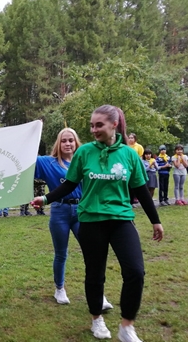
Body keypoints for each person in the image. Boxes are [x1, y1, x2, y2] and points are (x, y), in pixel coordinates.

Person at [31, 105, 163, 342]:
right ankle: (96, 320)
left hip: (121, 220)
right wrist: (46, 198)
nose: (94, 130)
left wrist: (156, 221)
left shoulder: (129, 154)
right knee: (95, 274)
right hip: (91, 220)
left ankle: (126, 327)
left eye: (99, 125)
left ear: (114, 125)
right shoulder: (85, 153)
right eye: (92, 125)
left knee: (135, 272)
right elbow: (69, 185)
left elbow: (141, 190)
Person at [35, 127, 113, 309]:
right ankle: (59, 288)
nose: (68, 143)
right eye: (64, 140)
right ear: (58, 143)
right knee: (61, 253)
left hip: (83, 211)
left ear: (76, 142)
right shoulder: (48, 162)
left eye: (71, 140)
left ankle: (98, 295)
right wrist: (32, 132)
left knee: (92, 253)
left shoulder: (87, 160)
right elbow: (27, 159)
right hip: (59, 211)